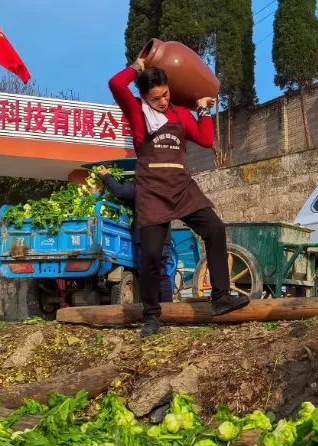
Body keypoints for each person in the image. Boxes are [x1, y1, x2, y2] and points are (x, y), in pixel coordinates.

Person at [109, 58, 249, 337]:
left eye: (166, 94)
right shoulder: (137, 112)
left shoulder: (181, 115)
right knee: (150, 255)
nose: (162, 101)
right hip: (151, 189)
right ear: (145, 97)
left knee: (214, 229)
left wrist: (202, 111)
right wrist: (137, 66)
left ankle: (220, 298)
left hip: (181, 185)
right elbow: (115, 83)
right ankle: (151, 316)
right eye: (156, 98)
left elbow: (206, 140)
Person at [94, 165, 176, 303]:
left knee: (146, 274)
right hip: (163, 239)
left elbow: (120, 192)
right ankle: (167, 310)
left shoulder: (141, 187)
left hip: (146, 238)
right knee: (162, 274)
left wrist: (106, 176)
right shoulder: (166, 189)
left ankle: (152, 310)